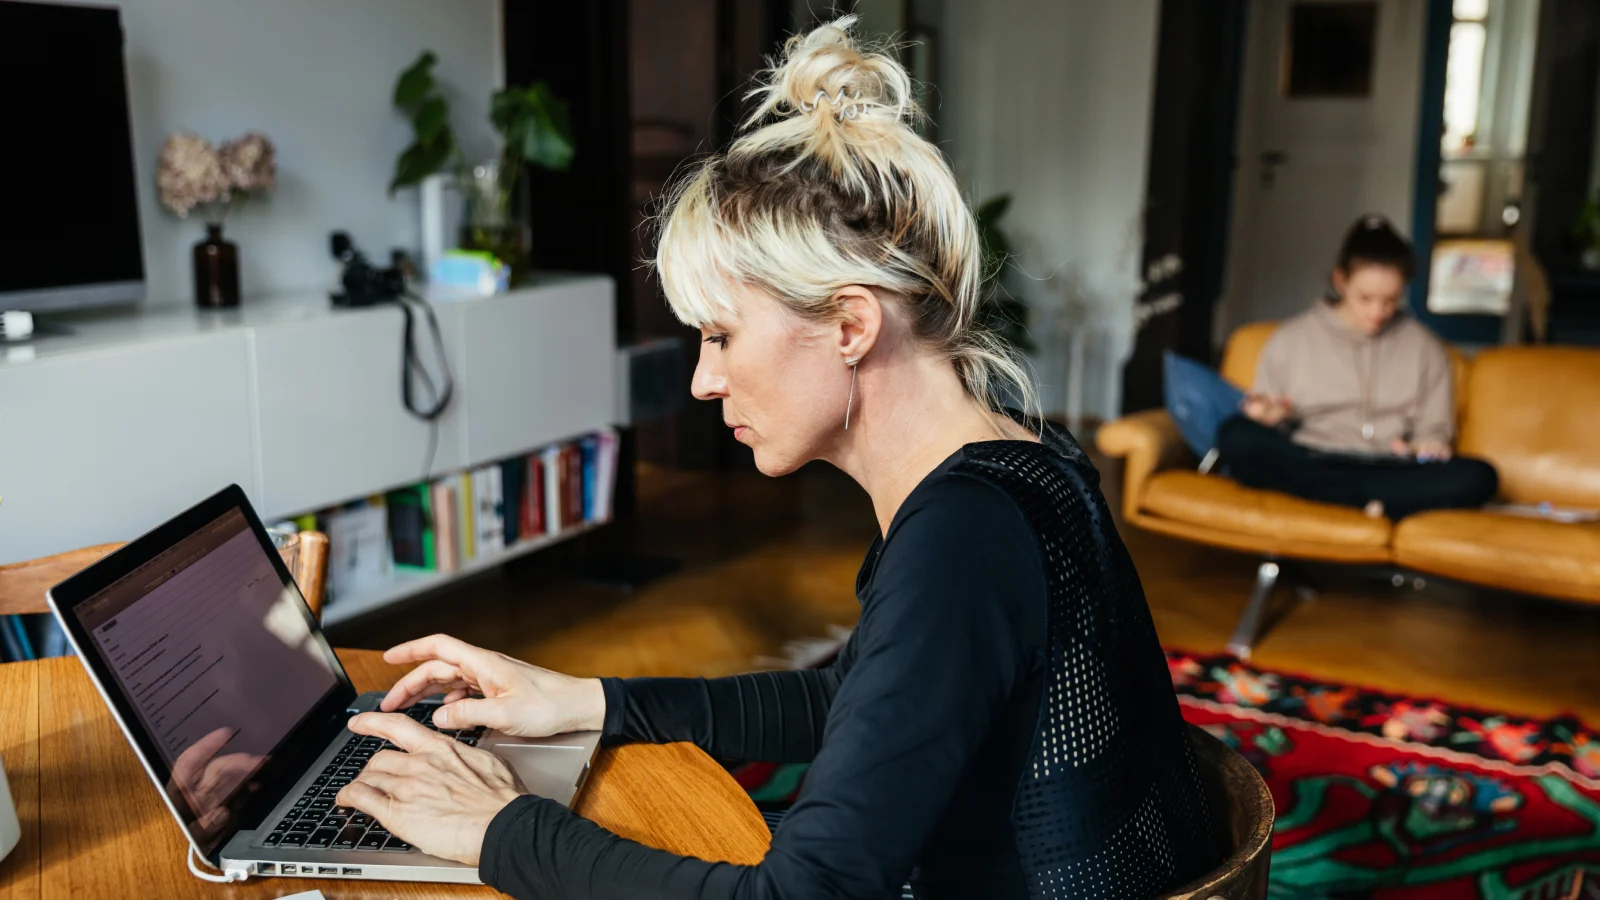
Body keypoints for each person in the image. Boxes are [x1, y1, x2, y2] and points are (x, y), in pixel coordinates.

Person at [333, 18, 1219, 899]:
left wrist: (497, 827)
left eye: (720, 335)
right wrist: (588, 701)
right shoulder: (1019, 457)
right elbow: (858, 699)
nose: (702, 381)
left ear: (850, 325)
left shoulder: (961, 540)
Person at [1216, 215, 1499, 520]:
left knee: (1480, 476)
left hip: (1390, 468)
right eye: (1365, 298)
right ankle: (1370, 503)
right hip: (1313, 459)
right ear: (1340, 281)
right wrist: (1270, 418)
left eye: (1390, 300)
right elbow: (1266, 421)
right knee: (1236, 435)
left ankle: (1336, 498)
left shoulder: (1427, 348)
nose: (1377, 312)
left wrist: (1427, 445)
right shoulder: (1290, 339)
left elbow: (1434, 430)